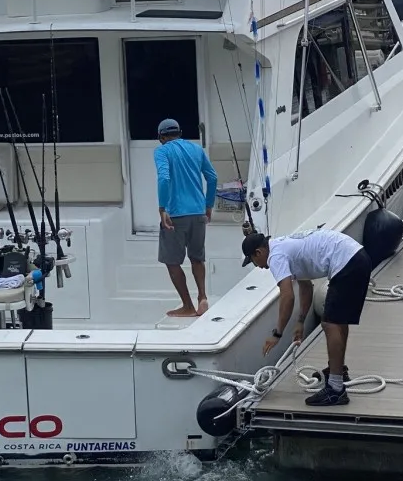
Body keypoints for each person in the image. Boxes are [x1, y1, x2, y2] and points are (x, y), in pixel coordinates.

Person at [241, 228, 372, 406]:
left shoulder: (275, 256)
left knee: (330, 323)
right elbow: (306, 287)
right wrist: (301, 321)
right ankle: (338, 371)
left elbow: (287, 296)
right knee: (337, 321)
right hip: (355, 256)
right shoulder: (283, 247)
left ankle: (335, 390)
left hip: (346, 261)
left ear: (258, 252)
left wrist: (277, 333)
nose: (258, 266)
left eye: (253, 261)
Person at [155, 117, 218, 317]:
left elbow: (164, 178)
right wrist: (208, 205)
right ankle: (202, 297)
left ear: (161, 137)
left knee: (172, 262)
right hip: (198, 212)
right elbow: (212, 177)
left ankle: (188, 306)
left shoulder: (162, 151)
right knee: (197, 258)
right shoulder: (197, 149)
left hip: (175, 215)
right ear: (180, 133)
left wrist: (163, 208)